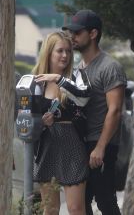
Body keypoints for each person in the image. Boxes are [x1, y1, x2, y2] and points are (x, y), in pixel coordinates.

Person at [61, 10, 127, 215]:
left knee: (105, 200)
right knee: (82, 202)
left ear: (93, 34)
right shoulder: (77, 69)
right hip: (80, 144)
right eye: (70, 32)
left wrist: (100, 147)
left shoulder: (110, 67)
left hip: (101, 144)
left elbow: (115, 110)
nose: (72, 37)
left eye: (77, 32)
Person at [32, 31, 91, 215]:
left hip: (72, 144)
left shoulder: (76, 76)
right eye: (60, 51)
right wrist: (41, 123)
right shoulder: (35, 80)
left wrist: (58, 78)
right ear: (48, 53)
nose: (65, 55)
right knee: (50, 209)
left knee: (75, 208)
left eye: (68, 51)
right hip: (47, 145)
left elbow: (84, 97)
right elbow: (23, 118)